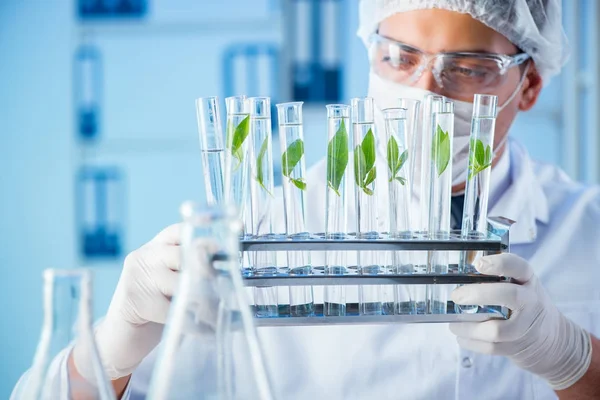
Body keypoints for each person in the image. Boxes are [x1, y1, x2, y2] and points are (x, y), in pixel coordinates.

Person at [13, 0, 600, 399]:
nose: (425, 92)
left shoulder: (587, 230)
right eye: (400, 57)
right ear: (371, 53)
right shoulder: (271, 226)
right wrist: (116, 342)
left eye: (469, 68)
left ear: (528, 85)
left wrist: (572, 359)